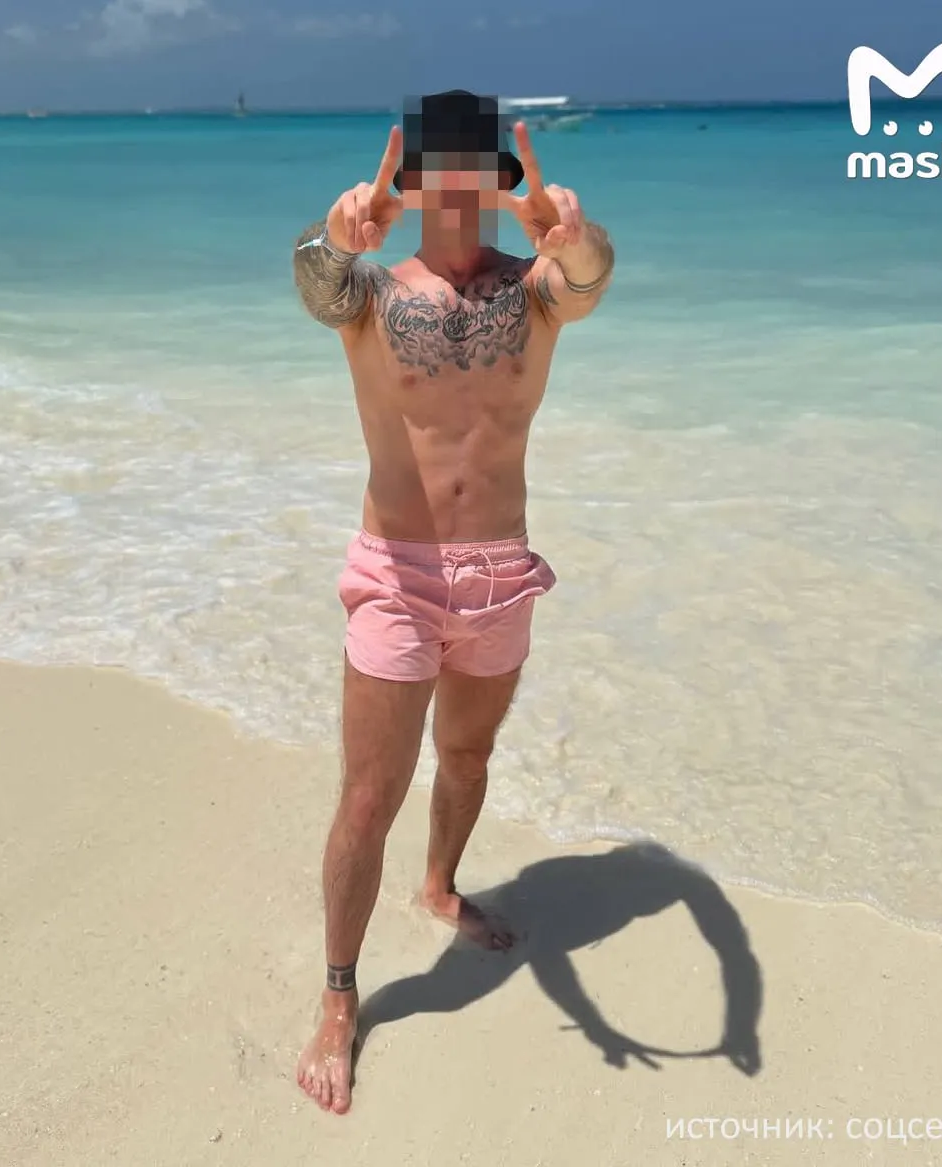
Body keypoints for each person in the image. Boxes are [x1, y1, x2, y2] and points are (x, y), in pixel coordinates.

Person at [290, 89, 614, 1114]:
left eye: (480, 172)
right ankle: (339, 995)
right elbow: (315, 285)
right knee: (367, 795)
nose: (461, 190)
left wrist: (579, 239)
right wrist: (332, 236)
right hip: (397, 574)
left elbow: (592, 276)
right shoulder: (372, 295)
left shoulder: (536, 291)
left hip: (500, 573)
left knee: (467, 757)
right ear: (417, 182)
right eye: (442, 172)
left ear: (499, 181)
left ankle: (438, 885)